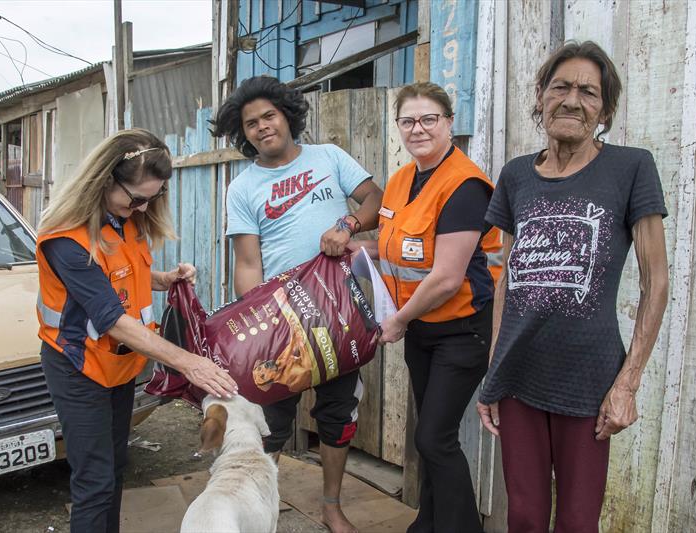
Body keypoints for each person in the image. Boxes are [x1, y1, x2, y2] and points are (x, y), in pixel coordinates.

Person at [476, 40, 669, 533]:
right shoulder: (517, 175)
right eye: (560, 86)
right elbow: (508, 279)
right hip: (518, 373)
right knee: (523, 515)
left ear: (604, 108)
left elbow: (657, 281)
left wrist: (627, 384)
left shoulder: (631, 168)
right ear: (540, 95)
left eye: (589, 91)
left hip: (589, 378)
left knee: (579, 521)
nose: (572, 100)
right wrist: (494, 372)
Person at [36, 129, 238, 533]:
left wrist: (167, 279)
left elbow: (125, 281)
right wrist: (188, 363)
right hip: (80, 369)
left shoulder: (124, 220)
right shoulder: (66, 240)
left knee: (114, 469)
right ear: (106, 179)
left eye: (153, 198)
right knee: (94, 481)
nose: (145, 207)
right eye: (138, 198)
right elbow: (111, 318)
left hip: (120, 368)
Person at [211, 75, 382, 533]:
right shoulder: (243, 188)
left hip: (340, 312)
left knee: (338, 413)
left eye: (269, 115)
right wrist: (261, 328)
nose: (262, 127)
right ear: (242, 133)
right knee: (270, 422)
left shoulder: (328, 157)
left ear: (287, 115)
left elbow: (374, 198)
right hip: (282, 323)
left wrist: (347, 224)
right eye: (251, 123)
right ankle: (264, 505)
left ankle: (331, 505)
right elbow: (248, 263)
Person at [355, 82, 502, 533]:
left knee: (433, 438)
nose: (417, 129)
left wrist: (397, 321)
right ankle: (429, 524)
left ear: (449, 124)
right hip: (423, 331)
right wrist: (349, 244)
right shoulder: (402, 179)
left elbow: (445, 278)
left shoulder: (465, 186)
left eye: (428, 119)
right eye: (408, 121)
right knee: (435, 438)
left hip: (462, 330)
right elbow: (393, 246)